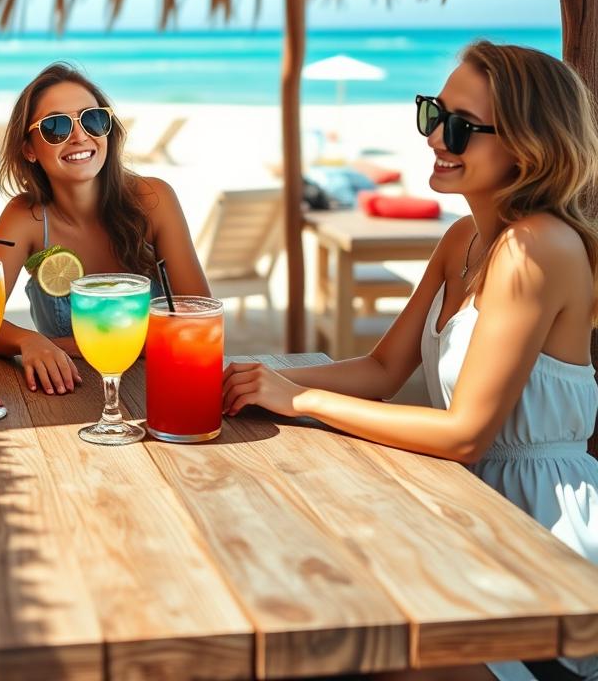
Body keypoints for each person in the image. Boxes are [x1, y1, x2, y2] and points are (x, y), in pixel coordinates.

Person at [223, 41, 598, 681]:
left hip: (543, 548)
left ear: (528, 145)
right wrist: (259, 382)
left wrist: (300, 400)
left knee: (352, 650)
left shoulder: (538, 247)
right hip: (468, 518)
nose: (434, 138)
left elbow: (465, 435)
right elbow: (381, 369)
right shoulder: (465, 239)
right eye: (432, 114)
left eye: (459, 127)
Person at [0, 62, 210, 394]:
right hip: (66, 394)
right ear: (29, 150)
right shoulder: (24, 217)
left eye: (93, 119)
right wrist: (27, 339)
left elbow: (199, 317)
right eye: (56, 127)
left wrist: (66, 345)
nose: (79, 136)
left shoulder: (154, 200)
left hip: (162, 391)